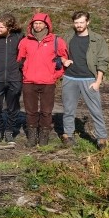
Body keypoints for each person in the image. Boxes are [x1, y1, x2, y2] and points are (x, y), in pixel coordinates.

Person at [17, 12, 68, 147]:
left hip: (48, 82)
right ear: (31, 24)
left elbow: (64, 60)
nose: (38, 26)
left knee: (46, 111)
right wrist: (26, 73)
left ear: (47, 25)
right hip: (29, 82)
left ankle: (44, 137)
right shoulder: (25, 41)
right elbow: (20, 60)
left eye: (40, 23)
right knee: (30, 111)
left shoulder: (57, 41)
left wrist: (55, 75)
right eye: (35, 23)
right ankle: (32, 137)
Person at [61, 11, 109, 150]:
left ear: (88, 22)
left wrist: (98, 81)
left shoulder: (97, 39)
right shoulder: (67, 36)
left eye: (81, 22)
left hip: (89, 79)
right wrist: (63, 60)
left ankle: (101, 138)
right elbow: (59, 52)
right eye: (76, 23)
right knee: (68, 109)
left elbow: (103, 60)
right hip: (70, 78)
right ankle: (68, 135)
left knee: (95, 110)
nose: (79, 25)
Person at [0, 14, 25, 145]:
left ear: (10, 27)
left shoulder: (19, 38)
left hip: (14, 78)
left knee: (13, 108)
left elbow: (24, 54)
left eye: (1, 27)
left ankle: (9, 132)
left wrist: (18, 65)